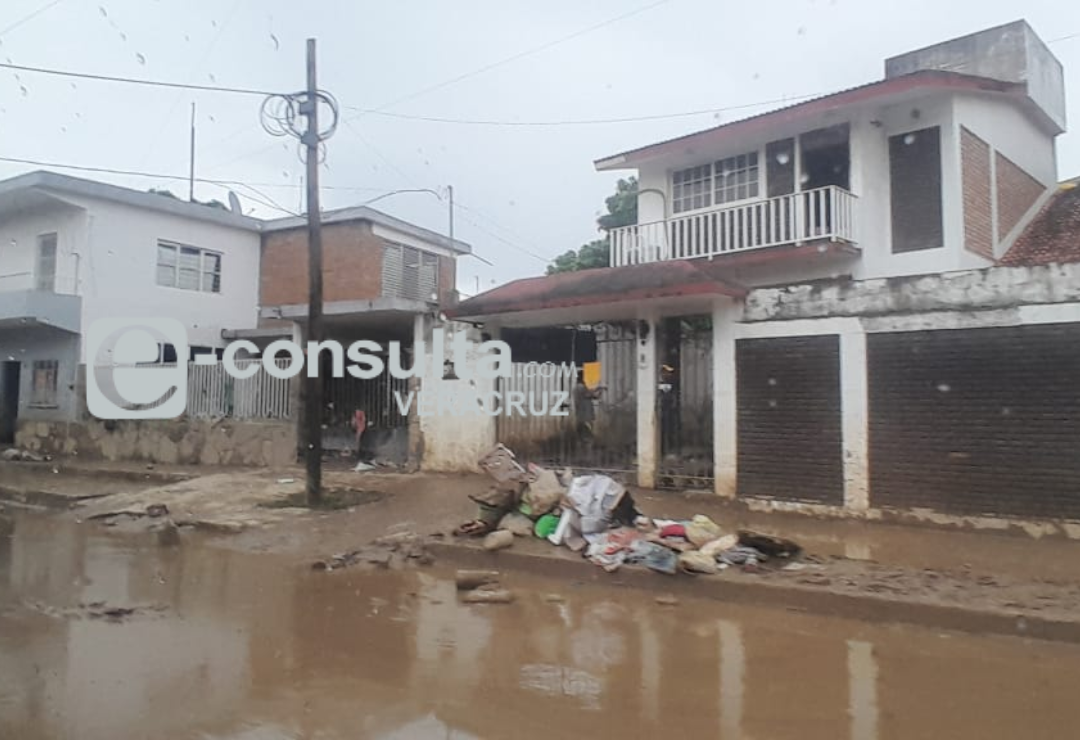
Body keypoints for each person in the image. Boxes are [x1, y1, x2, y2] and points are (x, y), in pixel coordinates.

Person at [572, 374, 604, 441]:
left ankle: (581, 441)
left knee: (580, 431)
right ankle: (587, 441)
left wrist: (598, 390)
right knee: (587, 430)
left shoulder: (575, 388)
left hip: (579, 414)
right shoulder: (582, 387)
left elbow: (590, 394)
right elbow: (591, 394)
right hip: (586, 414)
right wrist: (600, 389)